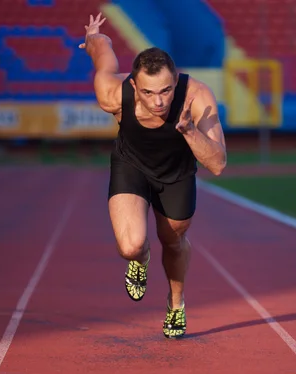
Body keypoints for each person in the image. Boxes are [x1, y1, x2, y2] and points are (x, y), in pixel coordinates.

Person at [80, 13, 227, 338]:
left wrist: (190, 131)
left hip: (176, 174)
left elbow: (217, 163)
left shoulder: (197, 96)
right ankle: (141, 259)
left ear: (176, 81)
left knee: (173, 242)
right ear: (134, 84)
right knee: (131, 245)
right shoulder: (113, 94)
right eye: (149, 92)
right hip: (131, 165)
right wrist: (94, 37)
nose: (159, 101)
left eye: (166, 90)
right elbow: (103, 53)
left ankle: (176, 304)